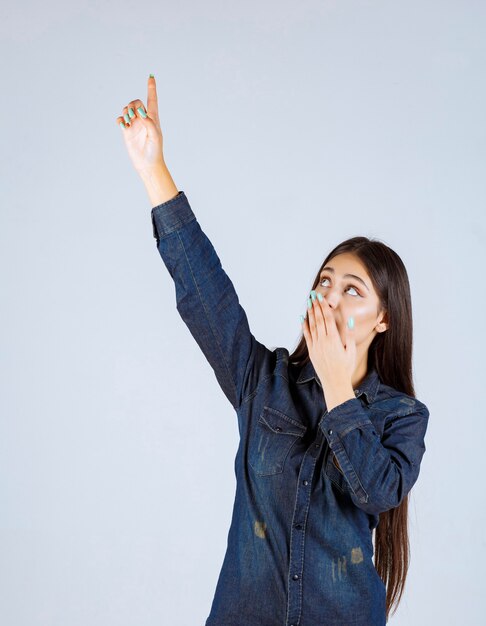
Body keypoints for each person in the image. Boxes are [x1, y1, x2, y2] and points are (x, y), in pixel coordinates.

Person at [116, 75, 430, 626]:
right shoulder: (263, 382)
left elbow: (378, 491)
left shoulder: (401, 417)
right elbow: (205, 292)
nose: (330, 297)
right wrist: (152, 169)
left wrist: (337, 388)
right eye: (325, 282)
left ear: (384, 318)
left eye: (352, 290)